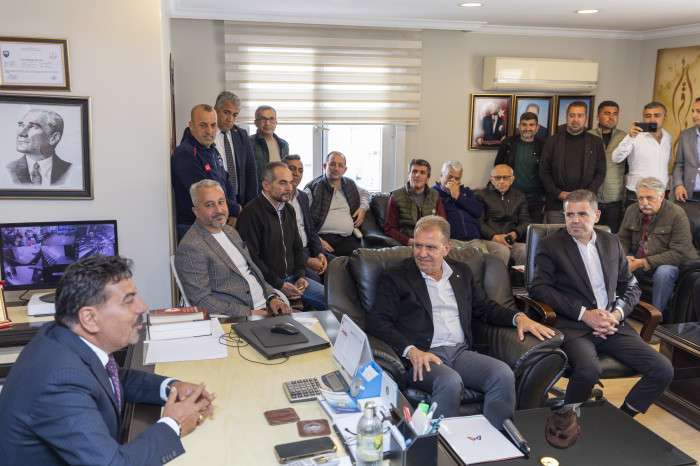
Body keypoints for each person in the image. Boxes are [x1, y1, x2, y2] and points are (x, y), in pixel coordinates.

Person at [0, 255, 215, 465]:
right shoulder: (60, 383)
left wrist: (172, 388)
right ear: (90, 318)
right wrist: (174, 424)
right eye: (129, 301)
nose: (142, 306)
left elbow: (113, 378)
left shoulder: (61, 335)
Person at [368, 215, 554, 424]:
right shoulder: (396, 276)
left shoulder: (461, 272)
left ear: (446, 248)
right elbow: (377, 321)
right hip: (423, 356)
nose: (422, 253)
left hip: (459, 352)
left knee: (502, 375)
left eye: (430, 247)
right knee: (450, 382)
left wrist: (518, 317)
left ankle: (497, 438)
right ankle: (438, 443)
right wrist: (410, 350)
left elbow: (484, 307)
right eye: (417, 246)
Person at [529, 189, 673, 417]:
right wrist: (585, 314)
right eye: (569, 215)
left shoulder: (611, 242)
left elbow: (631, 286)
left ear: (596, 215)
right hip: (574, 326)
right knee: (588, 370)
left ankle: (621, 420)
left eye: (582, 214)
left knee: (663, 369)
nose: (575, 220)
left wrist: (616, 315)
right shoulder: (551, 245)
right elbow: (539, 288)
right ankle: (567, 422)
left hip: (611, 324)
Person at [175, 179, 290, 317]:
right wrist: (249, 313)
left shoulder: (230, 231)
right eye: (209, 205)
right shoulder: (191, 247)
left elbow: (253, 273)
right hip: (239, 317)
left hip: (267, 306)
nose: (219, 210)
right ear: (196, 211)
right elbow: (201, 300)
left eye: (221, 202)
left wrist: (272, 297)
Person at [237, 162, 325, 310]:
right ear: (266, 185)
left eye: (290, 182)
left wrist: (301, 276)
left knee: (334, 301)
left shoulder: (288, 209)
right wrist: (280, 284)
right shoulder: (250, 213)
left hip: (294, 279)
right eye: (283, 183)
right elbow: (252, 259)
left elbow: (297, 248)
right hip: (267, 284)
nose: (289, 188)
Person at [618, 177, 698, 317]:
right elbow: (623, 239)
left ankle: (656, 316)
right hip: (640, 258)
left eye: (650, 198)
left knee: (664, 273)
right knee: (619, 263)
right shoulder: (632, 210)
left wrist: (643, 262)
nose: (644, 203)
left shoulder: (676, 214)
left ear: (661, 196)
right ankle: (621, 310)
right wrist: (624, 257)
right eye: (640, 198)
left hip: (671, 262)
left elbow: (680, 252)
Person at [171, 104, 240, 240]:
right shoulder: (186, 154)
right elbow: (205, 194)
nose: (209, 131)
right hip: (195, 227)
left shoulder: (211, 149)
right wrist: (235, 210)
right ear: (191, 126)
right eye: (203, 125)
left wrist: (232, 211)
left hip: (216, 221)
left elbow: (226, 181)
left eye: (213, 125)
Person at [540, 101, 606, 224]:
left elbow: (600, 172)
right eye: (572, 115)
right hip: (557, 205)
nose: (575, 119)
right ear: (566, 117)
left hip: (585, 205)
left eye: (580, 115)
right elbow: (544, 171)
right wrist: (558, 193)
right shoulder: (552, 141)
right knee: (556, 235)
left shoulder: (596, 142)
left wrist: (585, 195)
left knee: (581, 235)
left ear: (586, 118)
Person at [434, 161, 510, 266]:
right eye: (450, 177)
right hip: (452, 240)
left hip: (474, 240)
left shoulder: (466, 192)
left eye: (457, 179)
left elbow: (478, 211)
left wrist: (458, 197)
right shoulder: (434, 194)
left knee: (498, 253)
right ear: (441, 176)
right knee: (469, 262)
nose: (453, 181)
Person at [304, 151, 370, 256]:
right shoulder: (313, 187)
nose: (336, 168)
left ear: (345, 169)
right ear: (324, 166)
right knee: (329, 261)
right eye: (332, 164)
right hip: (323, 239)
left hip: (347, 238)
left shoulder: (350, 184)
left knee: (361, 259)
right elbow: (304, 218)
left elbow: (365, 194)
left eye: (340, 165)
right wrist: (317, 240)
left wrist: (363, 209)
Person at [612, 101, 672, 205]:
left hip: (661, 193)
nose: (652, 119)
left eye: (657, 115)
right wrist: (630, 137)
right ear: (643, 118)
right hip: (637, 193)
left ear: (665, 117)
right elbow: (616, 158)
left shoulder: (668, 137)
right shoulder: (635, 136)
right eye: (648, 116)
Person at [282, 154, 328, 282]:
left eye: (300, 170)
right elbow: (281, 242)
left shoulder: (303, 197)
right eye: (292, 169)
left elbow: (311, 230)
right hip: (291, 255)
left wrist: (319, 253)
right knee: (317, 279)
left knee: (339, 266)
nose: (296, 173)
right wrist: (307, 260)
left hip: (308, 249)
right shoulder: (278, 200)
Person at [495, 111, 546, 222]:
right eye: (524, 124)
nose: (527, 128)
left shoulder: (544, 146)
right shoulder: (507, 143)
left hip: (536, 199)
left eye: (531, 125)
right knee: (511, 227)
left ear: (537, 127)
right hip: (511, 196)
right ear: (519, 126)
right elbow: (497, 168)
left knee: (533, 229)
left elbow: (547, 172)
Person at [476, 164, 531, 266]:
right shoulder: (481, 195)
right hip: (489, 239)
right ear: (492, 180)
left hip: (511, 239)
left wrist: (515, 233)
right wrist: (494, 236)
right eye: (497, 178)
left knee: (526, 250)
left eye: (505, 177)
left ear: (512, 179)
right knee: (502, 251)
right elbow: (479, 222)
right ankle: (500, 277)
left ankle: (518, 276)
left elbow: (525, 221)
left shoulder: (519, 196)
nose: (501, 181)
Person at [384, 158, 446, 245]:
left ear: (427, 178)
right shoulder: (395, 196)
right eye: (414, 171)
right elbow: (389, 228)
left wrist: (434, 240)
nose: (417, 175)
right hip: (407, 243)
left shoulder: (435, 196)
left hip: (431, 242)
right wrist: (408, 241)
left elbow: (442, 224)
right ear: (409, 175)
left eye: (422, 172)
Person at [214, 91, 258, 206]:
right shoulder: (208, 135)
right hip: (216, 200)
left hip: (240, 200)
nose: (230, 119)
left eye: (234, 115)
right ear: (216, 110)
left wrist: (251, 205)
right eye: (226, 112)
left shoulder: (241, 135)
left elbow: (250, 171)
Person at [588, 100, 627, 233]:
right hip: (591, 196)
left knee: (611, 236)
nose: (611, 117)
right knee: (590, 234)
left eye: (615, 114)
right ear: (598, 116)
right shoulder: (588, 136)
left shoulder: (625, 138)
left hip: (614, 198)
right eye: (607, 113)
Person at [8, 109, 72, 185]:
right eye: (21, 125)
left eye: (33, 126)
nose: (21, 133)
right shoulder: (8, 170)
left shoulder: (70, 171)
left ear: (54, 138)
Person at [250, 105, 289, 183]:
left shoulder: (284, 145)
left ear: (276, 122)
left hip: (279, 189)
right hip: (258, 189)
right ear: (256, 123)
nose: (267, 123)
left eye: (271, 119)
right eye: (263, 119)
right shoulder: (248, 143)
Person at [672, 97, 700, 203]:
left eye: (698, 111)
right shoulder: (685, 135)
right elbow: (679, 164)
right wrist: (678, 184)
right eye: (693, 111)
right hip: (687, 195)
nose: (694, 115)